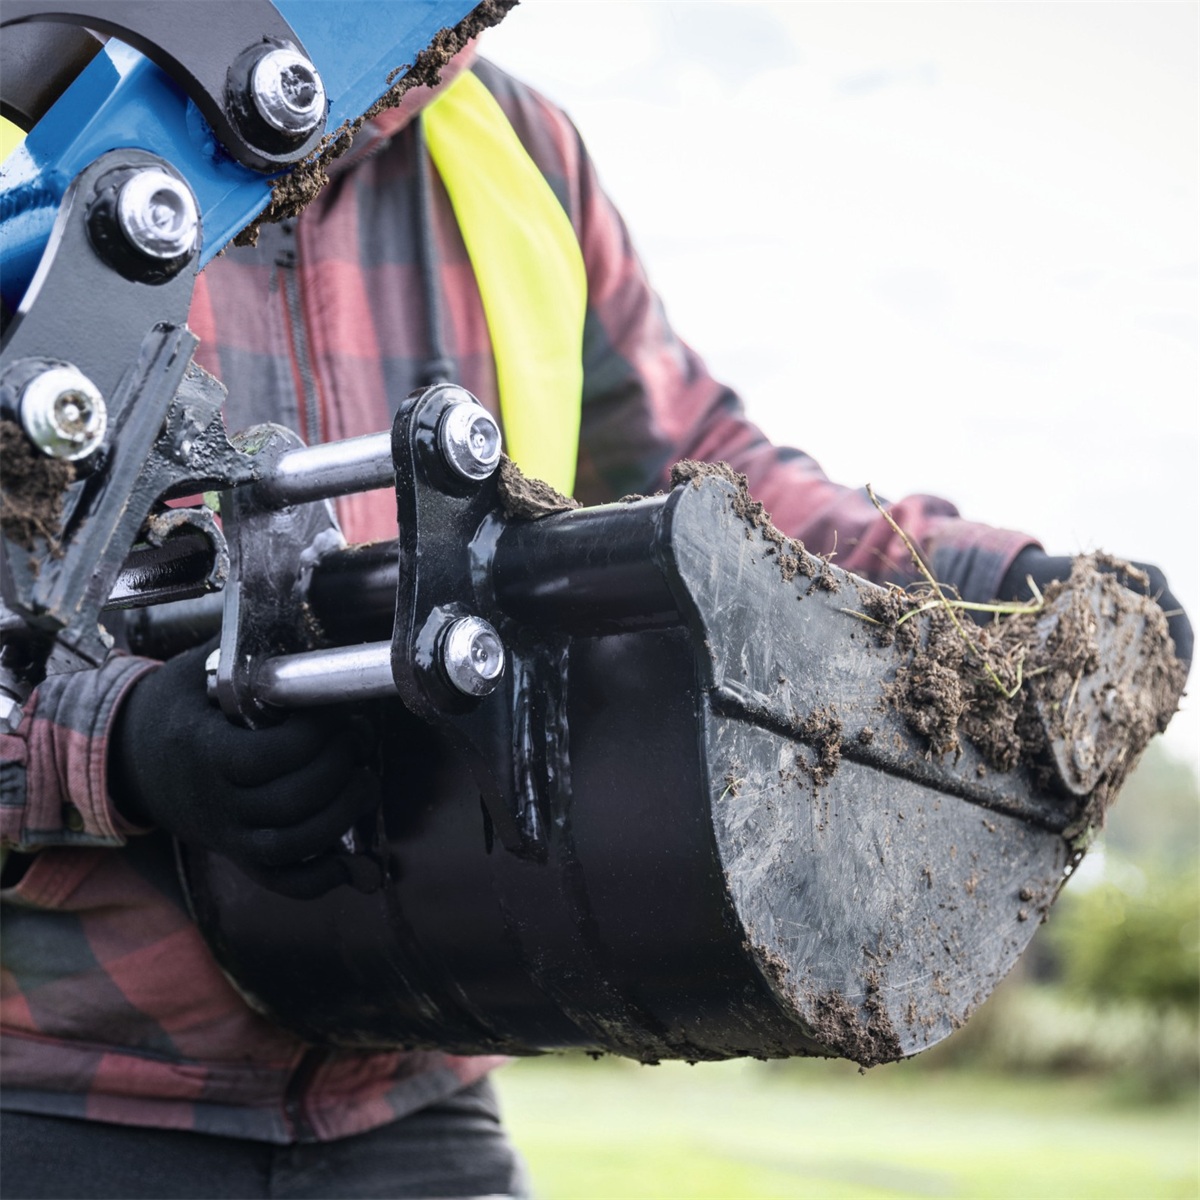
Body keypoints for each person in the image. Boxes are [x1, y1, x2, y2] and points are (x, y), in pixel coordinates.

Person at [1, 35, 1191, 1200]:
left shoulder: (506, 144)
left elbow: (701, 480)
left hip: (415, 1078)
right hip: (55, 1090)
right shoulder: (30, 115)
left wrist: (989, 585)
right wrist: (115, 745)